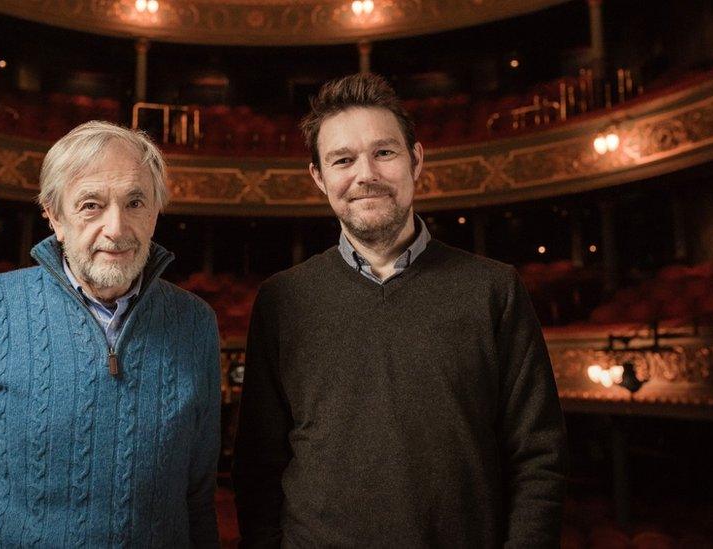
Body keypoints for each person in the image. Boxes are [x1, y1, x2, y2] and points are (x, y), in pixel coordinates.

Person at [232, 73, 567, 548]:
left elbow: (539, 457)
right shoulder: (282, 300)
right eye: (342, 159)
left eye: (384, 153)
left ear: (416, 160)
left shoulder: (494, 289)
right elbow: (257, 466)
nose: (365, 174)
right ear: (318, 177)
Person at [0, 121, 221, 548]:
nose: (117, 228)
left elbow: (197, 503)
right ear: (53, 215)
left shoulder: (196, 323)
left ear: (156, 211)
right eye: (91, 205)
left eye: (135, 202)